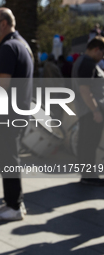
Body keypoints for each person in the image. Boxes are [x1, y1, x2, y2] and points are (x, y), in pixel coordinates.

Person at [0, 8, 33, 221]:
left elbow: (1, 87)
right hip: (18, 112)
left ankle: (13, 207)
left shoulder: (8, 47)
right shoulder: (22, 44)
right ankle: (13, 202)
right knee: (8, 159)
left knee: (8, 160)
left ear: (3, 23)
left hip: (7, 115)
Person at [71, 36, 104, 186]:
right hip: (90, 110)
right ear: (97, 49)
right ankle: (89, 176)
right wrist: (95, 110)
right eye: (102, 54)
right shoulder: (87, 63)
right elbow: (85, 90)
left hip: (86, 109)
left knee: (86, 142)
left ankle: (87, 174)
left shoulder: (82, 61)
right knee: (89, 143)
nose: (102, 57)